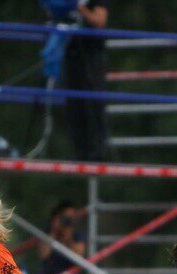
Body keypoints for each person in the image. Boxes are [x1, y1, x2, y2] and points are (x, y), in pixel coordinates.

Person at [62, 0, 109, 161]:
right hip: (70, 52)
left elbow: (100, 21)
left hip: (91, 53)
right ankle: (78, 154)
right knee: (74, 105)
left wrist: (80, 8)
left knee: (94, 103)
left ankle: (97, 154)